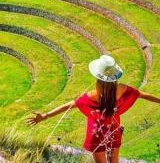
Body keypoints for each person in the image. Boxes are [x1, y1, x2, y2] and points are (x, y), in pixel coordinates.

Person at [26, 55, 160, 163]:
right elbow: (142, 94)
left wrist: (45, 116)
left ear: (98, 77)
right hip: (114, 130)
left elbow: (69, 105)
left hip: (96, 134)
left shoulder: (92, 96)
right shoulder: (122, 89)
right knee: (114, 161)